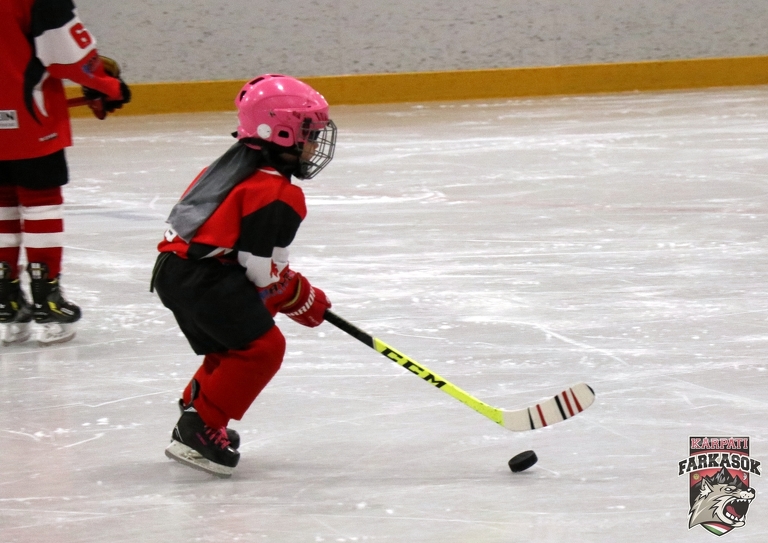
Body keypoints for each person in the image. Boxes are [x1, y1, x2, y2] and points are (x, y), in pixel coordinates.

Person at [151, 74, 336, 477]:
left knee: (233, 345)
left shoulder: (227, 169)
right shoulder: (277, 193)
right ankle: (199, 428)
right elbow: (262, 271)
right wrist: (298, 296)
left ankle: (198, 408)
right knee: (262, 349)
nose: (314, 144)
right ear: (281, 133)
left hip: (176, 272)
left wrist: (285, 293)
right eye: (308, 133)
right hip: (204, 279)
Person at [0, 0, 131, 345]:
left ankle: (4, 297)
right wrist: (108, 86)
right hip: (29, 113)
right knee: (40, 200)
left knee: (2, 201)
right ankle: (47, 299)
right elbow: (65, 52)